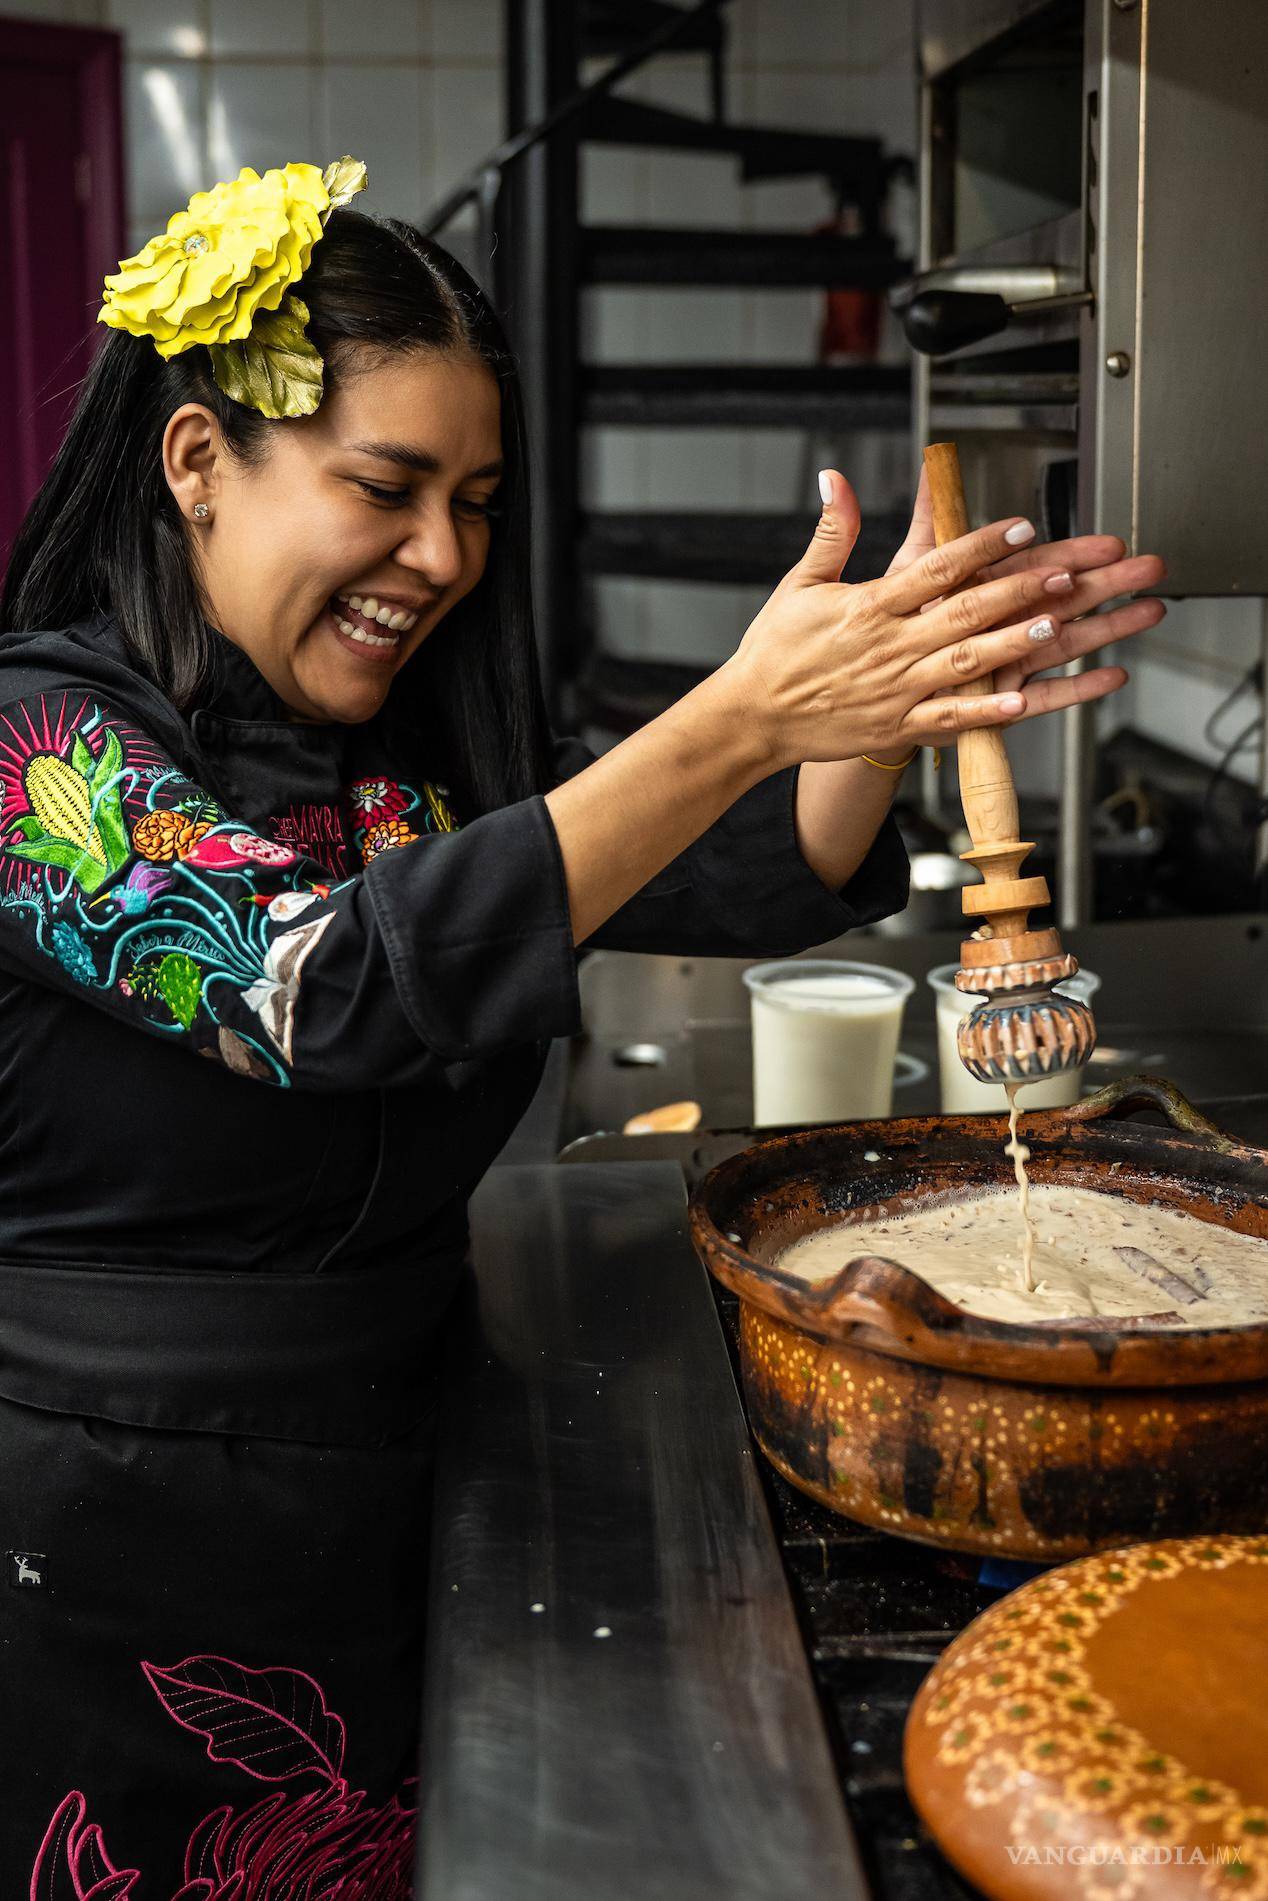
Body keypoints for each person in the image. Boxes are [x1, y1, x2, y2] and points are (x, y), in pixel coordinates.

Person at [0, 157, 1164, 1892]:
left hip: (385, 1489)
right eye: (386, 489)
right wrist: (737, 711)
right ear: (196, 463)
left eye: (475, 499)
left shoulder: (393, 758)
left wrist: (895, 678)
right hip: (106, 1553)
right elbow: (315, 983)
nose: (444, 556)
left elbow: (723, 863)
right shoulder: (39, 750)